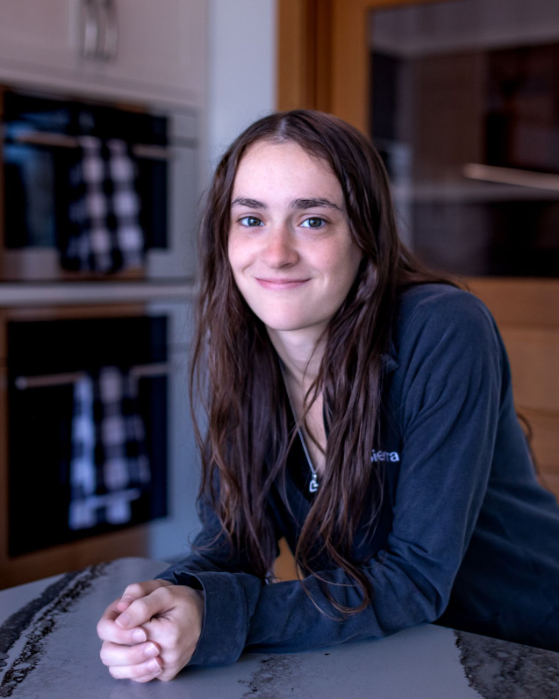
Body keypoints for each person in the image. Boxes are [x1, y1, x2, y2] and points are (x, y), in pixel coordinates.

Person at [97, 110, 559, 683]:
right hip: (386, 653)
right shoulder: (245, 348)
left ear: (365, 236)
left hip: (524, 646)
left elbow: (414, 580)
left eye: (312, 221)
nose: (276, 252)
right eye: (250, 219)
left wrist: (215, 617)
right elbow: (231, 548)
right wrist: (166, 608)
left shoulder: (443, 328)